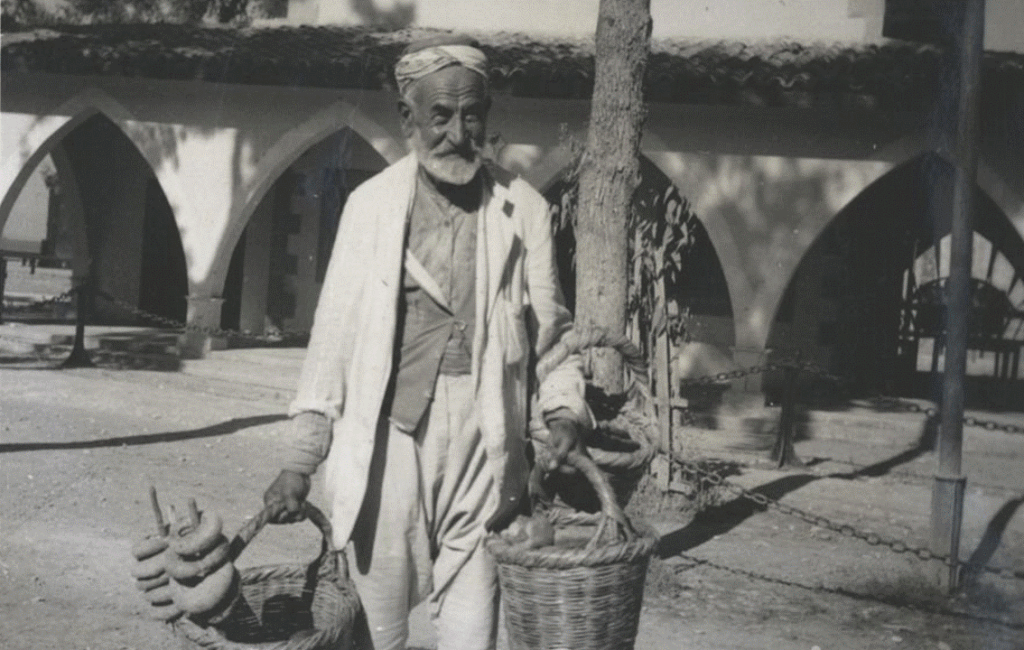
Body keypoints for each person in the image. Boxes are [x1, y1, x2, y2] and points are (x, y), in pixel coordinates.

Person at [262, 34, 592, 650]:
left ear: (488, 119)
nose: (456, 133)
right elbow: (331, 344)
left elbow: (551, 336)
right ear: (407, 117)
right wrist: (299, 463)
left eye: (472, 115)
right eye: (439, 115)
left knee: (471, 632)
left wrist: (565, 407)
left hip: (486, 439)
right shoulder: (370, 206)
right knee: (379, 631)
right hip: (390, 442)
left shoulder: (522, 210)